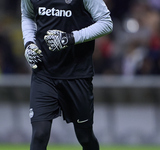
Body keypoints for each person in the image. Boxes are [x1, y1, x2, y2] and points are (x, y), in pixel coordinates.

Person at [21, 0, 113, 149]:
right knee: (40, 134)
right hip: (44, 72)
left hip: (77, 73)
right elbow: (27, 15)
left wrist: (70, 38)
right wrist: (29, 43)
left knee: (85, 136)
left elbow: (106, 23)